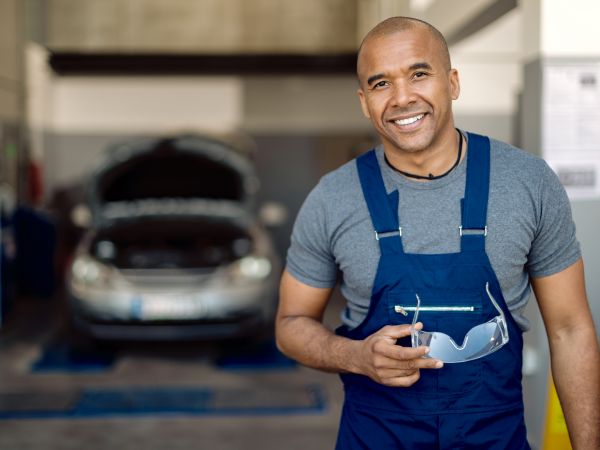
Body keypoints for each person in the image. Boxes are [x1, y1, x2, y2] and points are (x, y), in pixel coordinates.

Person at [275, 16, 600, 450]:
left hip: (494, 439)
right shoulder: (333, 197)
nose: (402, 98)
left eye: (419, 74)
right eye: (380, 84)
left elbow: (570, 330)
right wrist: (353, 356)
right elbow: (290, 324)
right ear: (364, 101)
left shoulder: (528, 183)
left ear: (453, 82)